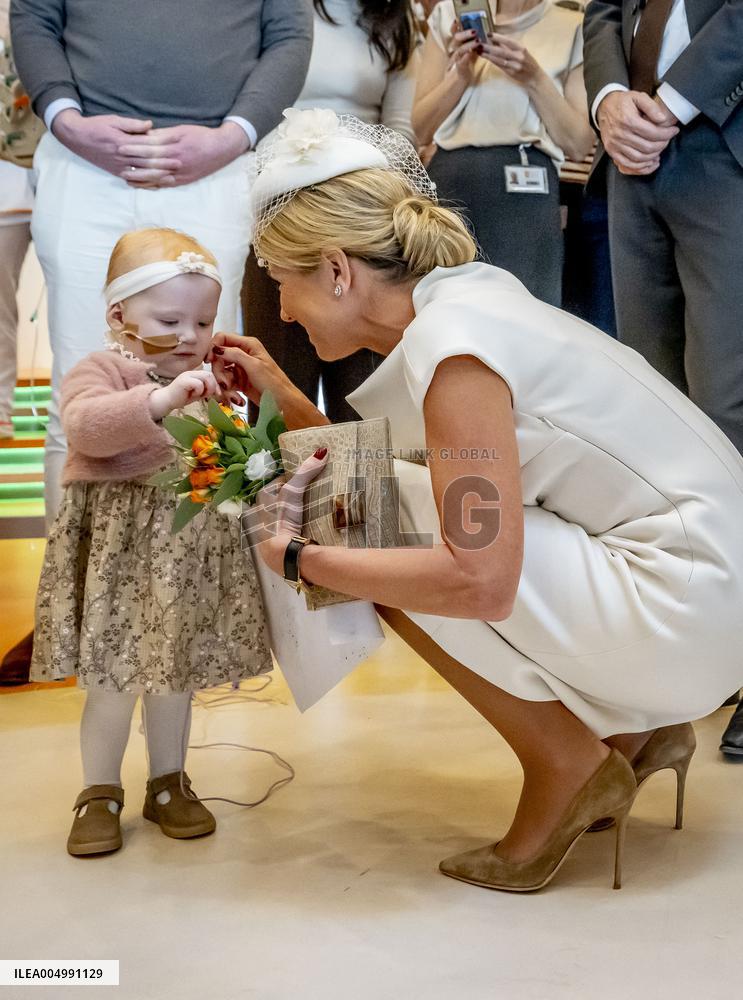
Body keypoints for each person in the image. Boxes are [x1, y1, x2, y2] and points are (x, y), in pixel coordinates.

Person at [209, 110, 743, 892]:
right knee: (372, 498)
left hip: (687, 614)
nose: (282, 312)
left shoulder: (454, 354)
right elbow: (406, 470)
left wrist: (300, 557)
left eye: (283, 285)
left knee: (361, 528)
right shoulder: (469, 303)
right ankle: (636, 730)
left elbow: (478, 578)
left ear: (335, 269)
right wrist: (283, 394)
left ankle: (564, 763)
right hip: (712, 602)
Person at [4, 0, 312, 677]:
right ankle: (78, 614)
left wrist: (234, 133)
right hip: (85, 167)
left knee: (210, 404)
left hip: (216, 166)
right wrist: (67, 119)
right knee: (76, 399)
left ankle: (193, 607)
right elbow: (32, 16)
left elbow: (288, 30)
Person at [31, 228, 271, 856]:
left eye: (202, 320)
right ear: (120, 315)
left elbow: (223, 454)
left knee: (174, 679)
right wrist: (159, 400)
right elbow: (87, 426)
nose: (190, 335)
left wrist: (237, 417)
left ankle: (169, 782)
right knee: (112, 685)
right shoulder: (103, 370)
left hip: (184, 558)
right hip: (119, 555)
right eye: (170, 319)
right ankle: (99, 790)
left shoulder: (204, 375)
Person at [582, 0, 743, 757]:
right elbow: (604, 10)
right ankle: (683, 664)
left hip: (725, 144)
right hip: (630, 168)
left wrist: (668, 105)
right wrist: (611, 101)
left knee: (730, 414)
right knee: (655, 425)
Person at [243, 0, 419, 423]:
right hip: (279, 213)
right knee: (276, 380)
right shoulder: (275, 9)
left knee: (363, 395)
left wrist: (380, 208)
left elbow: (398, 126)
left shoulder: (395, 17)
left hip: (357, 217)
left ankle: (365, 486)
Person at [411, 0, 594, 305]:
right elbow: (421, 128)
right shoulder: (449, 15)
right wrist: (461, 74)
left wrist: (533, 76)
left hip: (526, 192)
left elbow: (578, 143)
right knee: (445, 310)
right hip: (452, 182)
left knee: (525, 311)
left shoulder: (573, 23)